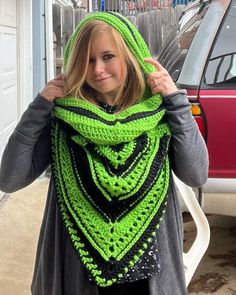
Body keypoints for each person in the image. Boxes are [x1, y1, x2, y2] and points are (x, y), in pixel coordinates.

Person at [0, 12, 208, 295]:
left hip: (149, 280)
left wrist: (177, 104)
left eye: (108, 56)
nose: (98, 69)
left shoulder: (162, 115)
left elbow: (196, 173)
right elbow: (10, 179)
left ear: (129, 56)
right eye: (87, 60)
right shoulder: (62, 118)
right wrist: (38, 109)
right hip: (78, 277)